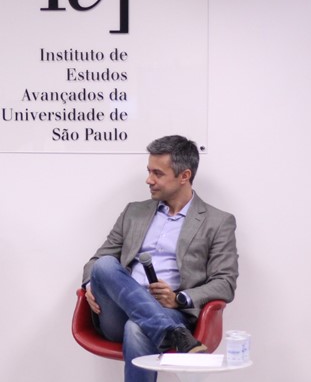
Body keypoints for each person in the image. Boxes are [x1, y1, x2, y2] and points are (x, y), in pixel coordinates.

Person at [82, 135, 239, 382]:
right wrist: (92, 285)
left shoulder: (218, 222)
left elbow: (225, 282)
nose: (149, 180)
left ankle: (167, 329)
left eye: (158, 173)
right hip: (118, 312)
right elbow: (97, 260)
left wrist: (178, 298)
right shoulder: (134, 212)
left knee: (137, 328)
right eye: (149, 171)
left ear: (184, 176)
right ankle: (173, 334)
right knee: (104, 266)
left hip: (171, 311)